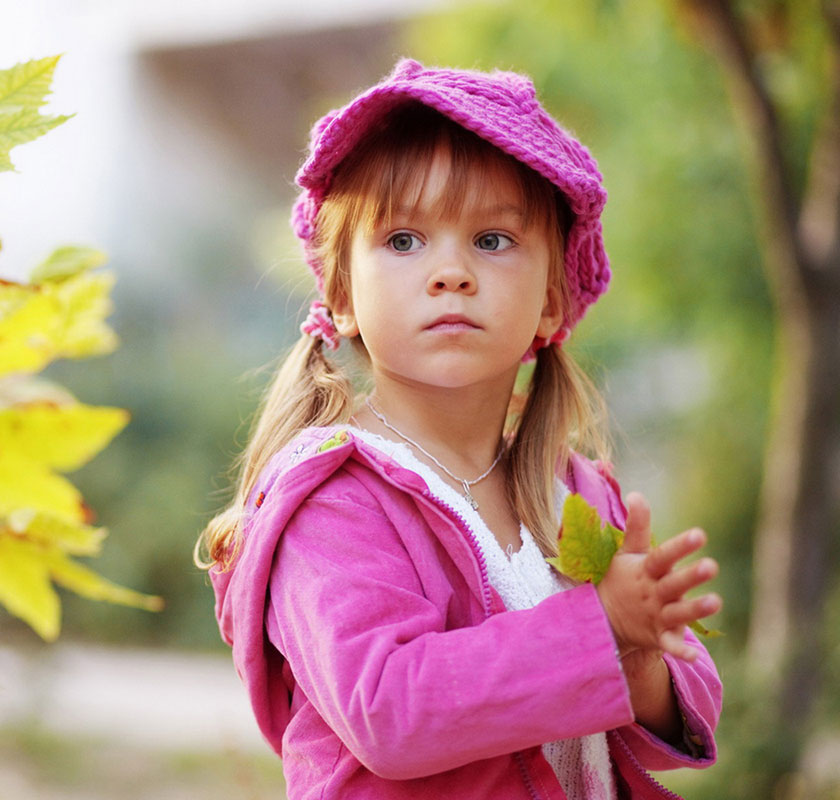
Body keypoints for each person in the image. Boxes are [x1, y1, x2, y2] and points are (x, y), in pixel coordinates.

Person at [196, 59, 723, 799]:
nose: (451, 273)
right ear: (341, 294)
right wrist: (597, 629)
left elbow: (685, 705)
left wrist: (638, 658)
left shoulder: (574, 493)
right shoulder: (331, 501)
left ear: (550, 302)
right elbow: (389, 711)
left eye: (493, 240)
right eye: (404, 241)